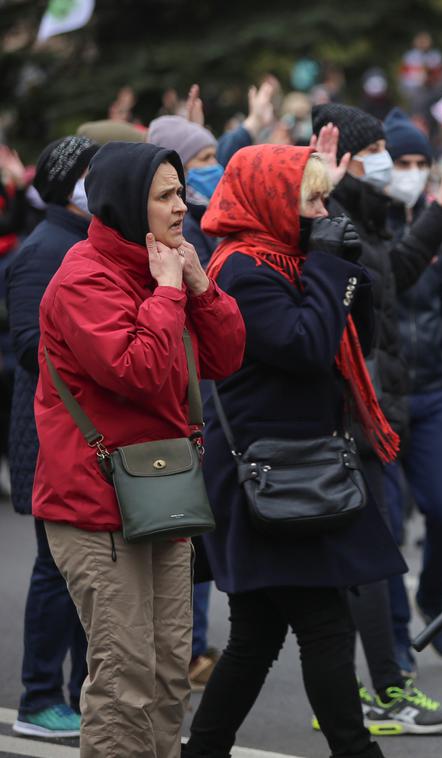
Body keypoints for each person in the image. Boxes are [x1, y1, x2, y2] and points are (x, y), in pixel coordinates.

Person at [181, 144, 402, 758]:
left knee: (255, 636)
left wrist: (351, 267)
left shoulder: (289, 261)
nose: (322, 211)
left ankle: (203, 750)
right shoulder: (243, 269)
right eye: (310, 199)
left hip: (290, 469)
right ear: (272, 201)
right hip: (269, 474)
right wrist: (332, 269)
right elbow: (306, 345)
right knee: (326, 627)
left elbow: (362, 336)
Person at [36, 140, 245, 758]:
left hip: (159, 494)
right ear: (128, 203)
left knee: (167, 672)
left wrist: (201, 285)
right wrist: (168, 291)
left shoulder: (167, 263)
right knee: (124, 680)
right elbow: (139, 373)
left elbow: (227, 357)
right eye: (166, 195)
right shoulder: (83, 277)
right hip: (95, 506)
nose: (183, 206)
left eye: (181, 192)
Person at [311, 102, 442, 734]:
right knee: (364, 558)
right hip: (349, 415)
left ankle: (357, 698)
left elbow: (389, 283)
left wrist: (436, 218)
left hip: (371, 410)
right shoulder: (334, 220)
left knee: (357, 561)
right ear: (346, 159)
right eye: (376, 151)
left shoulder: (365, 217)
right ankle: (378, 693)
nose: (388, 165)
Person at [375, 105, 442, 660]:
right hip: (385, 398)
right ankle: (394, 646)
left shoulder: (432, 225)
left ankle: (434, 598)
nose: (411, 170)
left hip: (433, 390)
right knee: (389, 527)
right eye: (401, 161)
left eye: (419, 161)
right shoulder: (371, 228)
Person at [7, 135, 97, 740]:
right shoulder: (45, 249)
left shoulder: (79, 242)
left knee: (80, 572)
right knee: (56, 568)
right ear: (71, 185)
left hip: (77, 433)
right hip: (51, 435)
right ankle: (40, 698)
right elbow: (30, 345)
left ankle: (76, 693)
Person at [147, 115, 222, 267]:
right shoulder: (184, 223)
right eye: (205, 157)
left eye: (215, 156)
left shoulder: (205, 209)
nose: (215, 164)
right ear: (181, 167)